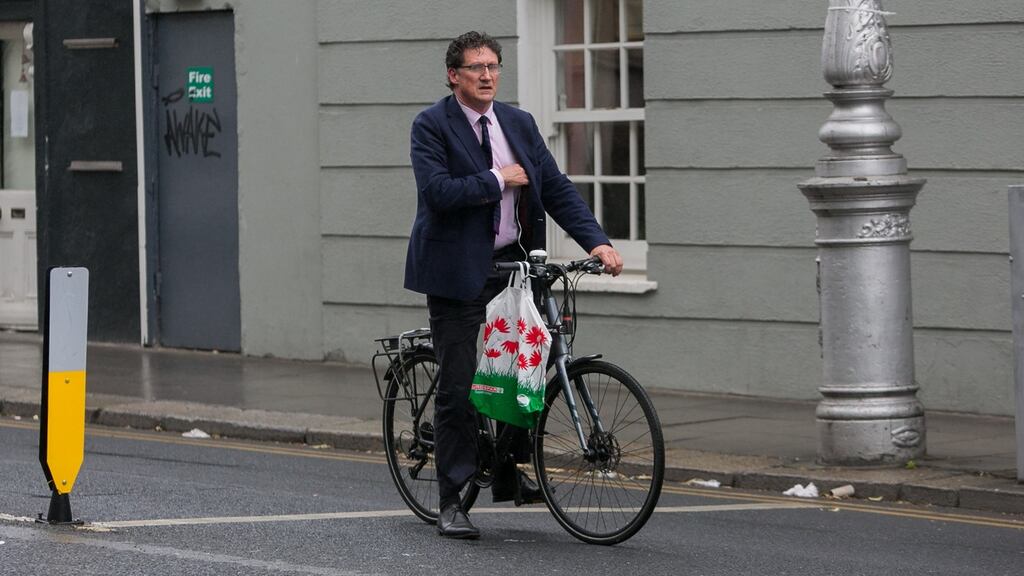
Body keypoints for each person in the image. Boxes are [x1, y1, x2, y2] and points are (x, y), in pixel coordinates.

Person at [405, 31, 623, 539]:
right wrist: (498, 179)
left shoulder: (518, 123)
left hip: (517, 266)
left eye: (493, 66)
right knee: (458, 386)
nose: (486, 75)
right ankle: (452, 500)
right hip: (458, 272)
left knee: (531, 363)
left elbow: (557, 189)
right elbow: (437, 192)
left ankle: (507, 468)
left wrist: (598, 242)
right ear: (453, 75)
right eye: (475, 67)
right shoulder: (431, 125)